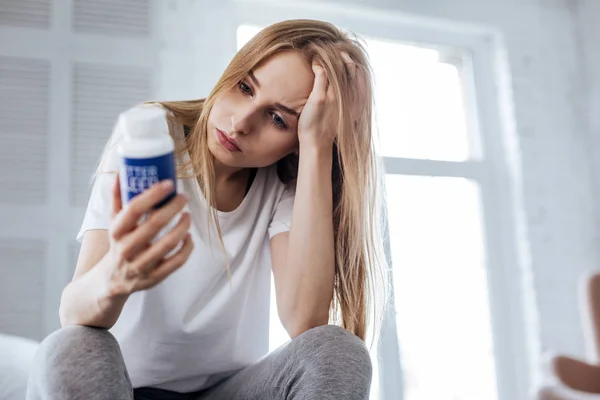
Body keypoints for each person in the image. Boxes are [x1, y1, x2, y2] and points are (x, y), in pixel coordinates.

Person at [27, 19, 387, 400]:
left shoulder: (286, 182)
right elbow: (73, 313)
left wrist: (317, 146)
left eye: (278, 118)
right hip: (120, 386)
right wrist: (116, 276)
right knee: (71, 346)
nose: (241, 122)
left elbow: (304, 320)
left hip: (227, 391)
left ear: (297, 140)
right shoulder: (153, 139)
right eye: (245, 87)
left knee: (337, 349)